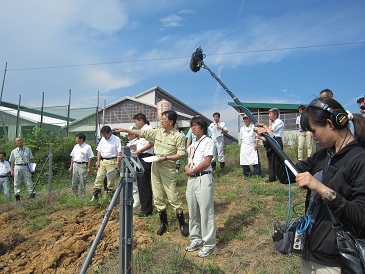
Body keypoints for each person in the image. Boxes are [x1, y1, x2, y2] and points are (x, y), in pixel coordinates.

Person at [255, 97, 365, 273]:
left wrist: (321, 188)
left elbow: (361, 216)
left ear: (330, 123)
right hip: (311, 253)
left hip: (335, 262)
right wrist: (271, 143)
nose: (312, 137)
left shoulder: (359, 159)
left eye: (313, 131)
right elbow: (287, 175)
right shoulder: (323, 156)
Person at [114, 110, 188, 237]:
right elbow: (142, 132)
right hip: (155, 167)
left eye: (164, 118)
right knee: (158, 196)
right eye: (161, 118)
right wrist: (126, 130)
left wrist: (165, 158)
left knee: (172, 196)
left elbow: (181, 154)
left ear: (171, 121)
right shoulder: (157, 132)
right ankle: (163, 223)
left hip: (167, 168)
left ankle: (182, 223)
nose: (161, 120)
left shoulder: (178, 136)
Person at [184, 116, 216, 257]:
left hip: (203, 177)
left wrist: (192, 170)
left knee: (206, 211)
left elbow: (207, 162)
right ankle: (195, 238)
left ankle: (209, 243)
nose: (193, 128)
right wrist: (187, 168)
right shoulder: (192, 145)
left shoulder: (208, 141)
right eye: (192, 125)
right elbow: (190, 161)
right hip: (192, 179)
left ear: (203, 128)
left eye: (196, 125)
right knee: (193, 210)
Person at [91, 126, 122, 201]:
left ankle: (109, 197)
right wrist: (98, 161)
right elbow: (99, 151)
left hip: (112, 161)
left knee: (110, 180)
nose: (104, 136)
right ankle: (96, 196)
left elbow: (119, 152)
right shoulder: (103, 139)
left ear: (110, 132)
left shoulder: (116, 139)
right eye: (103, 135)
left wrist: (117, 162)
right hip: (103, 161)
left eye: (105, 134)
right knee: (99, 177)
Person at [132, 113, 154, 217]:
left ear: (141, 121)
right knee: (140, 184)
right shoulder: (141, 132)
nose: (135, 124)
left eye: (135, 122)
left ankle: (147, 210)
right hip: (140, 157)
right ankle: (143, 208)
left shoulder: (148, 129)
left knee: (144, 184)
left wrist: (139, 151)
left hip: (146, 157)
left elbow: (151, 143)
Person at [9, 137, 35, 202]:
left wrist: (32, 169)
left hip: (26, 166)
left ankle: (32, 197)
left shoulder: (28, 149)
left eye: (20, 140)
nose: (19, 141)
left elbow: (31, 159)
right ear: (15, 143)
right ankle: (18, 199)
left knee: (29, 182)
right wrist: (12, 170)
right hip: (17, 167)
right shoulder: (14, 151)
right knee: (16, 182)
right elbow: (12, 161)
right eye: (18, 141)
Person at [68, 133, 94, 198]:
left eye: (77, 138)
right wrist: (71, 166)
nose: (76, 139)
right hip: (75, 165)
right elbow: (72, 157)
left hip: (83, 165)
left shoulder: (87, 147)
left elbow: (90, 158)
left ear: (81, 139)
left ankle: (83, 197)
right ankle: (75, 196)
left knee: (82, 182)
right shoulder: (76, 146)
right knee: (74, 182)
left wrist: (88, 167)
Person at [264, 108, 284, 183]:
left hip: (277, 140)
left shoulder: (279, 122)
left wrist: (269, 124)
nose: (269, 115)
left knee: (278, 159)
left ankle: (281, 176)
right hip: (271, 140)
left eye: (270, 114)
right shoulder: (272, 123)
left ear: (275, 115)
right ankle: (272, 177)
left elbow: (271, 130)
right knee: (271, 158)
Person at [239, 114, 262, 179]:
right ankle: (246, 174)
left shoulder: (253, 127)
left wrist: (256, 144)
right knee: (244, 161)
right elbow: (241, 138)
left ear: (250, 119)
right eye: (244, 119)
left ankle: (258, 173)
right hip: (244, 146)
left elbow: (257, 135)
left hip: (252, 145)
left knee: (255, 160)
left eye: (247, 119)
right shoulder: (242, 129)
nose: (245, 120)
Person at [125, 126, 141, 210]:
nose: (128, 135)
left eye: (130, 134)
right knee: (130, 182)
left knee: (135, 183)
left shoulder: (138, 142)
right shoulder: (129, 143)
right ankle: (132, 199)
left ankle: (137, 201)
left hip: (134, 164)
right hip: (128, 164)